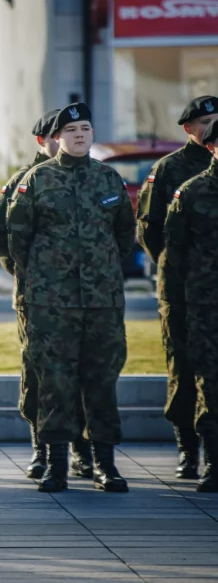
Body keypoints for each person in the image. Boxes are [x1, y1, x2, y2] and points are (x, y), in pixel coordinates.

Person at [7, 103, 135, 493]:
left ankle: (105, 464)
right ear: (56, 137)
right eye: (72, 129)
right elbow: (17, 239)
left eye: (86, 128)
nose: (80, 134)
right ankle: (57, 464)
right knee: (55, 382)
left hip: (102, 301)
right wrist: (42, 281)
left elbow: (124, 236)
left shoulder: (108, 179)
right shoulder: (37, 180)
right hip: (53, 302)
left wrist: (103, 274)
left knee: (101, 380)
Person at [0, 110, 95, 480]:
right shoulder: (25, 181)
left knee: (83, 372)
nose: (65, 140)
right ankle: (43, 447)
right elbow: (7, 241)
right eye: (57, 136)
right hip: (37, 296)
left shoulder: (90, 176)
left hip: (82, 297)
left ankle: (83, 450)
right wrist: (32, 278)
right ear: (45, 140)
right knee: (40, 373)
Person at [137, 96, 218, 480]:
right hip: (184, 291)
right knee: (185, 370)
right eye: (205, 121)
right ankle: (188, 447)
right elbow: (152, 231)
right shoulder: (171, 171)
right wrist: (180, 274)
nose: (211, 127)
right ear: (189, 128)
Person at [162, 118, 218, 493]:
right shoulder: (192, 192)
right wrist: (175, 308)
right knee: (210, 383)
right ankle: (213, 462)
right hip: (206, 305)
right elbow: (172, 256)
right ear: (212, 146)